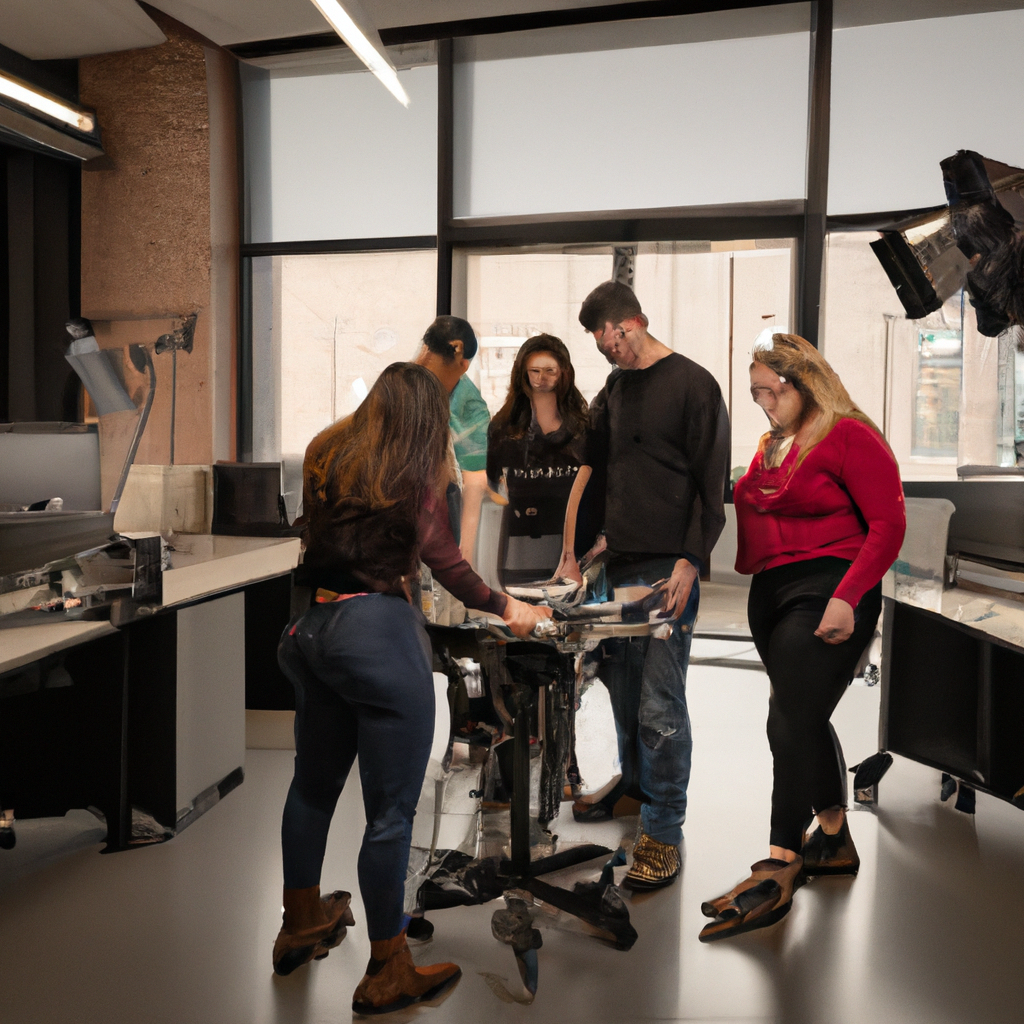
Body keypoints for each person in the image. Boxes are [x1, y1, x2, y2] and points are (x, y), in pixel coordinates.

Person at [271, 363, 550, 1014]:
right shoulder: (409, 472)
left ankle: (302, 920)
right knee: (390, 815)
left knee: (311, 788)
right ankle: (388, 967)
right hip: (376, 636)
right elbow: (447, 564)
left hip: (309, 629)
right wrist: (510, 607)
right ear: (427, 422)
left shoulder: (327, 453)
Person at [699, 333, 905, 943]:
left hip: (831, 587)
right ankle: (834, 837)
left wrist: (848, 594)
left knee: (786, 720)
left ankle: (781, 861)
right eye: (755, 392)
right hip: (774, 593)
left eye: (770, 391)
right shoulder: (773, 447)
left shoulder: (849, 434)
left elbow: (889, 523)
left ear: (804, 380)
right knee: (801, 716)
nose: (762, 403)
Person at [557, 280, 730, 891]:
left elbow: (713, 489)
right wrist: (578, 551)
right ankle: (633, 790)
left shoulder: (695, 385)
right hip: (619, 567)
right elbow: (597, 467)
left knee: (660, 702)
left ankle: (663, 831)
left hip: (666, 572)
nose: (609, 349)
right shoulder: (615, 388)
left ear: (633, 323)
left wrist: (690, 561)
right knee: (624, 691)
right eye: (601, 344)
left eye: (612, 337)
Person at [487, 333, 592, 585]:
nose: (541, 379)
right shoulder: (503, 428)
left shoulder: (583, 427)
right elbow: (493, 483)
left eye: (549, 371)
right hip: (517, 546)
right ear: (522, 373)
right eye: (534, 371)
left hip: (575, 545)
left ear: (563, 372)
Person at [414, 316, 490, 566]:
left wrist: (463, 554)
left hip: (437, 510)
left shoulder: (465, 401)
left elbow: (475, 477)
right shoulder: (402, 385)